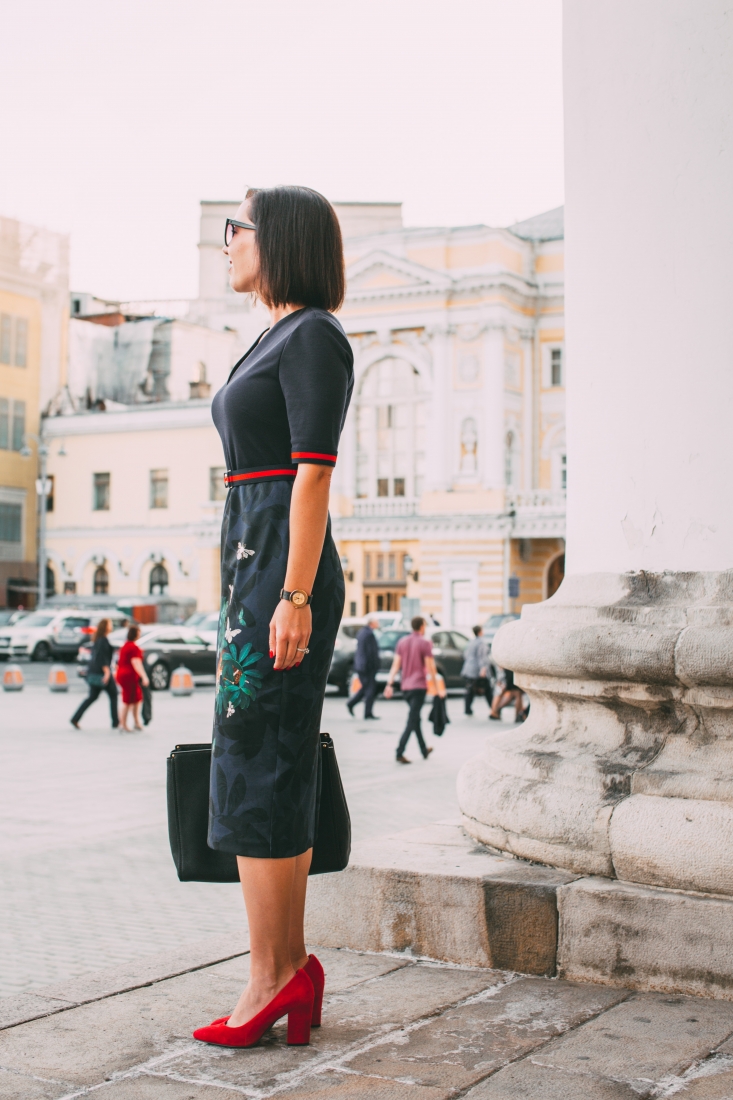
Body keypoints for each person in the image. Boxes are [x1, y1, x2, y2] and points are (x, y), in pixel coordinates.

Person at [192, 186, 353, 1050]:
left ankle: (271, 975)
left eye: (236, 229)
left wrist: (292, 596)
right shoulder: (276, 334)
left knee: (255, 762)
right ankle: (285, 966)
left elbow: (313, 473)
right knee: (267, 759)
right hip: (255, 568)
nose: (225, 243)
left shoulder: (313, 336)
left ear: (278, 238)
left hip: (278, 578)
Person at [384, 616, 437, 763]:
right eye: (425, 625)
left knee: (415, 718)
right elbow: (430, 667)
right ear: (421, 626)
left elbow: (396, 665)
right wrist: (437, 688)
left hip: (406, 687)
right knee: (412, 720)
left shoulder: (402, 642)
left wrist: (389, 684)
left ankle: (423, 749)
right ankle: (399, 752)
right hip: (419, 686)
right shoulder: (425, 643)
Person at [70, 618, 118, 729]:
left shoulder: (98, 639)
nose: (111, 626)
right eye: (110, 624)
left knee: (92, 697)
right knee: (113, 695)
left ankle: (75, 718)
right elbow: (102, 658)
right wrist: (107, 673)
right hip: (101, 672)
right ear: (106, 627)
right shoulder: (103, 640)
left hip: (94, 671)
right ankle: (115, 722)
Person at [115, 625, 149, 731]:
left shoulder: (125, 645)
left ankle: (136, 721)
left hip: (123, 675)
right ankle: (123, 724)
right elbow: (136, 663)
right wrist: (144, 676)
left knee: (136, 698)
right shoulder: (134, 647)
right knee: (128, 700)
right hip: (129, 676)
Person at [347, 617, 380, 719]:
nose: (378, 624)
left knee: (366, 688)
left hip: (361, 665)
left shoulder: (362, 632)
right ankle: (367, 713)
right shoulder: (369, 634)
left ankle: (352, 703)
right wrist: (376, 664)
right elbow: (371, 652)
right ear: (372, 623)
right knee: (370, 689)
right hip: (367, 666)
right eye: (376, 622)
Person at [461, 625, 492, 716]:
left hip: (468, 669)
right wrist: (483, 668)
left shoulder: (471, 642)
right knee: (487, 690)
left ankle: (467, 709)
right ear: (480, 632)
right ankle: (494, 708)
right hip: (477, 670)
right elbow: (482, 657)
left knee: (470, 689)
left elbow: (465, 655)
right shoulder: (481, 643)